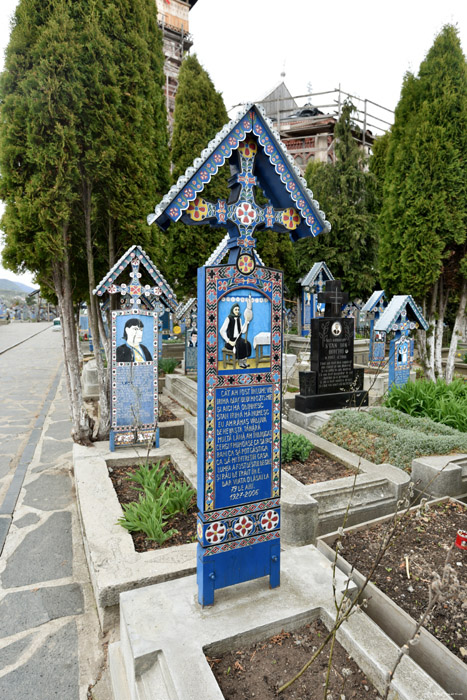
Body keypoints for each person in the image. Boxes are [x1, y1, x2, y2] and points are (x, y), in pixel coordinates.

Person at [219, 300, 252, 369]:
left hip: (238, 339)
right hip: (230, 341)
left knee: (247, 343)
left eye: (238, 309)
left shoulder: (239, 319)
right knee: (240, 344)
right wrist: (229, 341)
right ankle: (240, 363)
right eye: (236, 309)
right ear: (232, 310)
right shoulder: (228, 319)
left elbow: (242, 331)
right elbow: (222, 331)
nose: (237, 311)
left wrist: (246, 323)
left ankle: (244, 361)